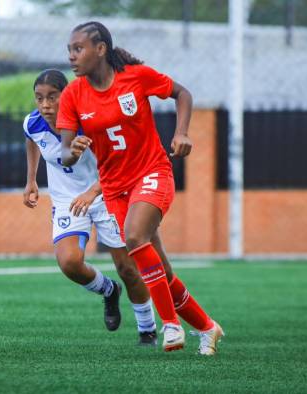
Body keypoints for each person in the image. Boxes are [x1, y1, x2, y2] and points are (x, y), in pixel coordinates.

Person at [58, 21, 223, 355]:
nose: (72, 57)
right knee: (161, 270)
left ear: (100, 48)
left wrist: (181, 132)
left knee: (134, 237)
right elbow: (64, 153)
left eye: (78, 49)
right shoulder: (73, 94)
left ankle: (171, 325)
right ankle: (208, 327)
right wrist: (71, 151)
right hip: (115, 187)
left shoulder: (136, 76)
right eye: (70, 51)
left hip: (152, 172)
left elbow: (182, 93)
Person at [23, 69, 158, 345]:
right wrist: (31, 180)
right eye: (39, 98)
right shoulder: (33, 122)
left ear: (67, 95)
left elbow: (121, 164)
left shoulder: (90, 122)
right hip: (66, 199)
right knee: (69, 263)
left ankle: (147, 329)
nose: (45, 105)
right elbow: (32, 141)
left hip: (108, 193)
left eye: (52, 97)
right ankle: (109, 291)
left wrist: (92, 191)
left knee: (128, 268)